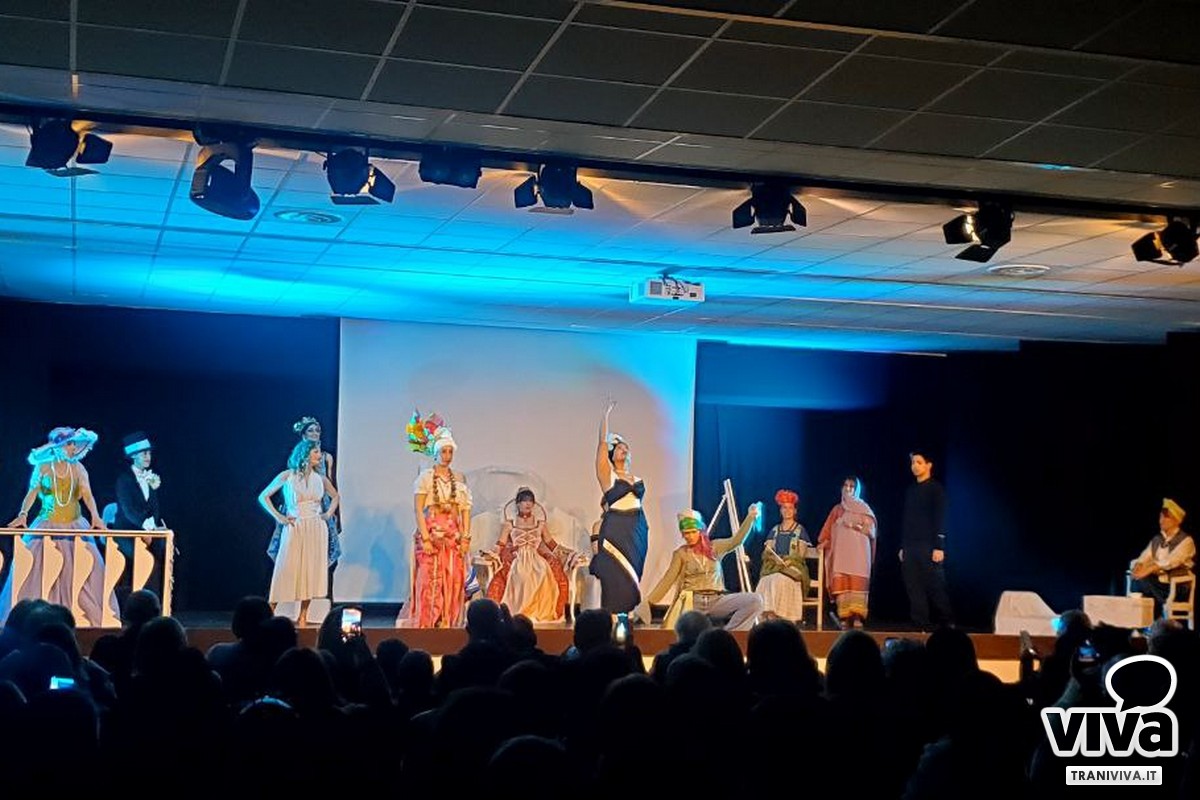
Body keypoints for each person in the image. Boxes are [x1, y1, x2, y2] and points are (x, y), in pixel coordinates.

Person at [0, 427, 116, 627]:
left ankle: (80, 616)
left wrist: (96, 516)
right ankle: (35, 618)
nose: (73, 448)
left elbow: (87, 494)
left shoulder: (78, 468)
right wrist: (23, 514)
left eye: (73, 444)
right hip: (47, 522)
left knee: (83, 568)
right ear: (57, 447)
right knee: (35, 569)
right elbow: (32, 492)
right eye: (69, 444)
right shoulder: (43, 467)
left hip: (75, 524)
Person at [257, 439, 339, 621]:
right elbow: (264, 496)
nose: (320, 456)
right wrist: (279, 517)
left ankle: (303, 617)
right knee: (286, 568)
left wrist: (328, 514)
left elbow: (335, 496)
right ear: (305, 454)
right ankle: (268, 614)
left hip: (316, 526)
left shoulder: (321, 479)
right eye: (316, 452)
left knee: (310, 570)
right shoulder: (287, 475)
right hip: (296, 525)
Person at [404, 411, 472, 628]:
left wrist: (466, 538)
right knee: (429, 581)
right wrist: (425, 538)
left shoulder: (458, 478)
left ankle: (447, 623)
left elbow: (465, 510)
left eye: (450, 451)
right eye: (444, 451)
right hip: (431, 536)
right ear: (436, 452)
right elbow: (418, 509)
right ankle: (428, 625)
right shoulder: (425, 478)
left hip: (453, 537)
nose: (447, 455)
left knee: (453, 580)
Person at [647, 505, 762, 631]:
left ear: (701, 531)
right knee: (680, 632)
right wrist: (648, 603)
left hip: (716, 600)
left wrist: (750, 517)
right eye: (685, 533)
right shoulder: (681, 553)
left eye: (692, 532)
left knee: (754, 600)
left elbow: (736, 541)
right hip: (692, 602)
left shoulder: (715, 547)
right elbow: (667, 580)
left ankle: (728, 635)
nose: (689, 536)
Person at [590, 400, 650, 620]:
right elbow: (601, 444)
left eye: (626, 447)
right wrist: (605, 416)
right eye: (618, 448)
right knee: (615, 572)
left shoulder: (637, 478)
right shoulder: (608, 476)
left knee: (633, 572)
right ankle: (613, 617)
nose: (623, 449)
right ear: (611, 454)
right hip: (616, 527)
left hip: (638, 527)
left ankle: (629, 615)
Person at [267, 417, 341, 592]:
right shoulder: (298, 459)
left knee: (320, 554)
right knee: (290, 555)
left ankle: (316, 597)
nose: (315, 433)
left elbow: (331, 483)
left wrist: (330, 513)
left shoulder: (326, 457)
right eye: (311, 430)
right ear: (303, 434)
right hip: (298, 504)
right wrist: (281, 514)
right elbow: (288, 484)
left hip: (319, 503)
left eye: (318, 430)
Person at [484, 487, 579, 624]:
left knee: (543, 573)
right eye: (524, 500)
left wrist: (569, 553)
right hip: (518, 558)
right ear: (518, 504)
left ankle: (538, 612)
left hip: (536, 558)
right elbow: (500, 544)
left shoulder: (541, 524)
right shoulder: (509, 524)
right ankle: (520, 612)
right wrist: (490, 554)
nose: (528, 503)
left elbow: (552, 544)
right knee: (522, 576)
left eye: (530, 501)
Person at [112, 432, 166, 605]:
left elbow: (154, 508)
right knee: (143, 559)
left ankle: (155, 603)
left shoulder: (149, 477)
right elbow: (129, 510)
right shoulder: (124, 480)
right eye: (144, 453)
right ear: (134, 455)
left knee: (161, 553)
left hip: (147, 530)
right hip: (126, 531)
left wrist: (154, 528)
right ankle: (137, 604)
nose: (148, 457)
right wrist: (146, 529)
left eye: (149, 453)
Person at [900, 450, 952, 630]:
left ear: (929, 465)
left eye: (919, 462)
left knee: (935, 585)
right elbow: (907, 520)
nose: (914, 466)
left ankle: (947, 624)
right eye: (913, 462)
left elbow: (940, 518)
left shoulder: (936, 489)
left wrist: (939, 546)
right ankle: (920, 625)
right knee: (913, 587)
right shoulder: (911, 491)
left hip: (929, 546)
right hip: (911, 546)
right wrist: (903, 546)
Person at [818, 476, 878, 629]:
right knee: (842, 583)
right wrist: (824, 542)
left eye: (852, 486)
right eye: (846, 485)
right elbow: (827, 531)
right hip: (841, 555)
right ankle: (844, 618)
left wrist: (852, 525)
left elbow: (871, 531)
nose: (848, 489)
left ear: (857, 490)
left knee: (857, 584)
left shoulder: (864, 509)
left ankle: (857, 618)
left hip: (859, 554)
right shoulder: (837, 510)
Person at [1129, 498, 1195, 618]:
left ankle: (1155, 618)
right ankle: (1144, 619)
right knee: (1138, 580)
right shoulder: (1157, 540)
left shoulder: (1186, 541)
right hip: (1157, 585)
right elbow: (1145, 556)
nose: (1161, 521)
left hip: (1177, 586)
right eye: (1160, 517)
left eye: (1166, 517)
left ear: (1176, 520)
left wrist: (1150, 568)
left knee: (1145, 580)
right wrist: (1139, 565)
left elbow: (1172, 561)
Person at [756, 488, 812, 622]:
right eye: (784, 508)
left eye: (790, 508)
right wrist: (772, 557)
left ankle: (781, 616)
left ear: (795, 511)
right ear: (780, 510)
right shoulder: (774, 530)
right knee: (765, 580)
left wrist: (789, 561)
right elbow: (767, 551)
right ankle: (768, 615)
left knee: (778, 580)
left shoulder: (800, 530)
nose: (787, 511)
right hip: (775, 567)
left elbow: (801, 555)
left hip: (793, 567)